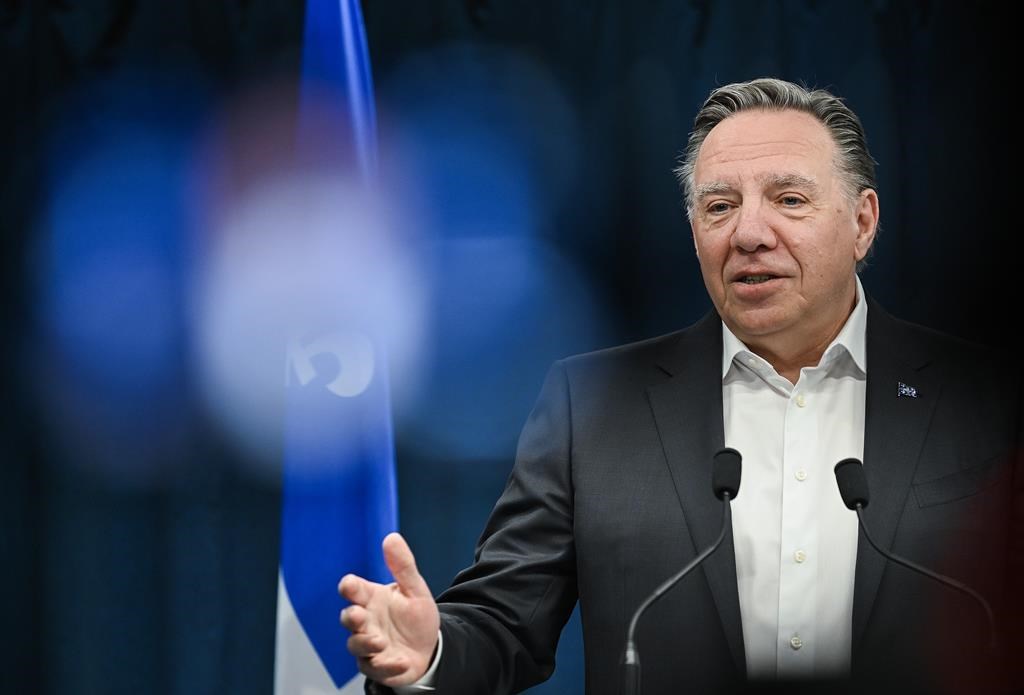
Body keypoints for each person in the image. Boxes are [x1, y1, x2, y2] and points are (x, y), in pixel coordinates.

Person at [338, 78, 1023, 694]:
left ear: (862, 222)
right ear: (695, 232)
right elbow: (503, 624)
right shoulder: (593, 404)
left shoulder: (985, 398)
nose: (749, 233)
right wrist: (430, 653)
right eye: (719, 206)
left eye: (788, 199)